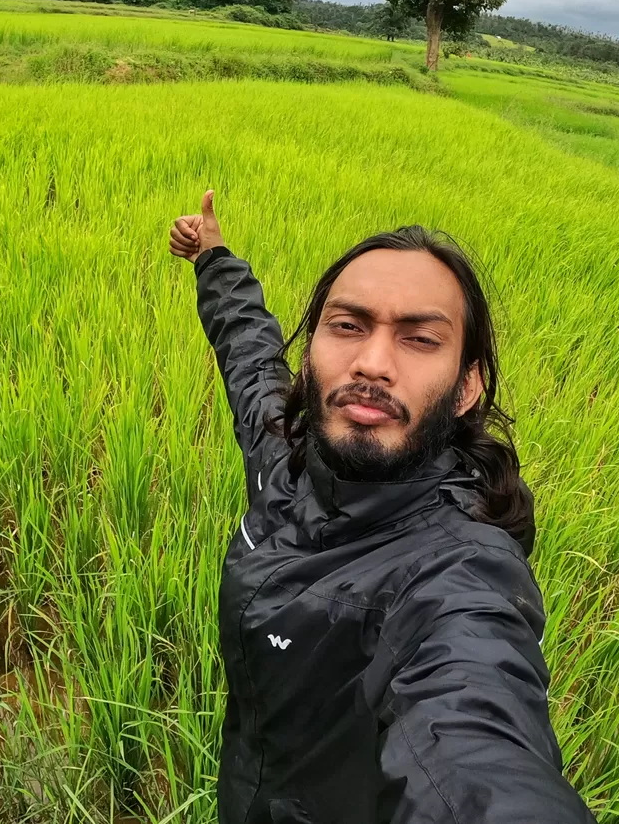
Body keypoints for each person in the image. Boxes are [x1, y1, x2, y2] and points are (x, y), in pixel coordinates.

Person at [169, 190, 597, 824]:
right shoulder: (287, 454)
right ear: (312, 353)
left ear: (467, 386)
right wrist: (213, 255)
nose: (372, 362)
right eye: (347, 326)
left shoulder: (458, 575)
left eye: (420, 339)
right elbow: (250, 354)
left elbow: (476, 745)